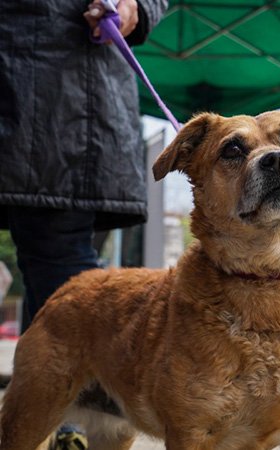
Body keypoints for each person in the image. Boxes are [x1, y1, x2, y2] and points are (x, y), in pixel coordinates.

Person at [0, 0, 167, 446]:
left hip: (87, 113)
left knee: (62, 275)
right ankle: (68, 415)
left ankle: (71, 415)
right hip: (46, 104)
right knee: (64, 274)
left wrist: (136, 7)